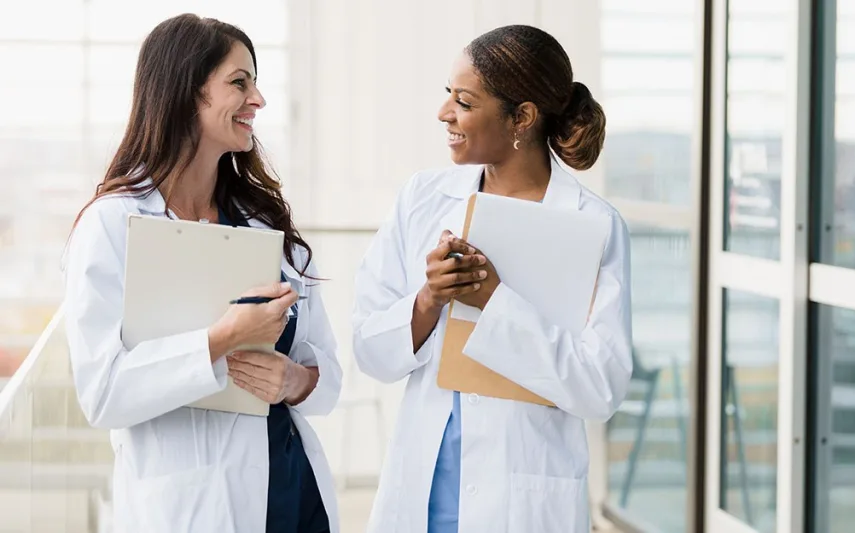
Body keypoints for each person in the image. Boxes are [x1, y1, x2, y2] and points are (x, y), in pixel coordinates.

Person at [62, 14, 341, 533]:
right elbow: (101, 394)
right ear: (187, 93)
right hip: (189, 508)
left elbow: (326, 371)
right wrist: (222, 339)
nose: (258, 99)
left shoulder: (264, 223)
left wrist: (296, 380)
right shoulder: (111, 225)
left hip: (291, 494)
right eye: (240, 82)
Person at [352, 24, 633, 533]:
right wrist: (428, 300)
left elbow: (601, 387)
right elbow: (368, 348)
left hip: (523, 500)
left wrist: (495, 301)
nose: (444, 114)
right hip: (424, 489)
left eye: (464, 101)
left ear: (521, 117)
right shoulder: (422, 198)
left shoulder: (592, 225)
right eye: (448, 97)